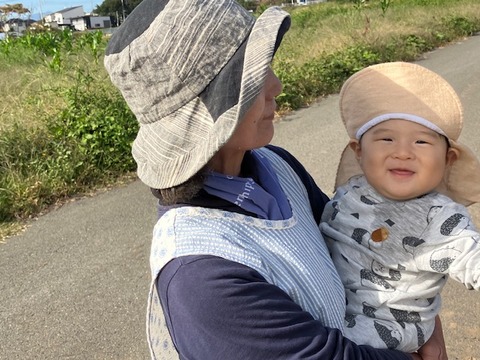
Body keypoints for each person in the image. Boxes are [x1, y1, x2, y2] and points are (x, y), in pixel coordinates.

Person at [104, 0, 447, 358]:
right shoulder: (203, 277)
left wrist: (425, 323)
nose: (276, 85)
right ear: (213, 105)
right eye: (252, 79)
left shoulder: (275, 166)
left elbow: (354, 245)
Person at [320, 61, 480, 353]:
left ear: (448, 159)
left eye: (421, 141)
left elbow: (473, 260)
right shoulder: (351, 191)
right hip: (336, 304)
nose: (403, 152)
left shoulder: (442, 219)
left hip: (390, 326)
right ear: (358, 151)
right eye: (386, 138)